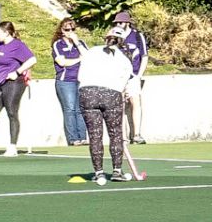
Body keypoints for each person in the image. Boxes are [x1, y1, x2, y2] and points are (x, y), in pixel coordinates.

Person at [76, 27, 137, 184]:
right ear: (122, 41)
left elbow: (80, 75)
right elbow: (126, 84)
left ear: (106, 37)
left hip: (87, 93)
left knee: (95, 135)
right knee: (115, 134)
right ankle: (117, 171)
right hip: (111, 94)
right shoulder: (124, 59)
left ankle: (99, 173)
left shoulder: (92, 51)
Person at [0, 21, 36, 157]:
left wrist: (17, 72)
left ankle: (12, 147)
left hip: (14, 83)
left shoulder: (18, 45)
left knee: (12, 113)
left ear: (6, 33)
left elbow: (32, 60)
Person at [113, 9, 149, 144]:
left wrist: (139, 75)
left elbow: (144, 56)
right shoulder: (114, 36)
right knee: (120, 106)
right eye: (117, 23)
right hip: (118, 77)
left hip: (133, 76)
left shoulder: (137, 36)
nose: (118, 25)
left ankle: (137, 134)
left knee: (136, 102)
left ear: (127, 23)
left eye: (121, 22)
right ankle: (123, 137)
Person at [51, 18, 88, 147]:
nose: (70, 32)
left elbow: (88, 57)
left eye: (72, 29)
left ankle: (83, 137)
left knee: (80, 109)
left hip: (81, 80)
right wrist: (79, 59)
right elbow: (62, 62)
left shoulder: (80, 43)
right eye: (67, 29)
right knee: (70, 109)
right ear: (62, 31)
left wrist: (77, 42)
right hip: (66, 81)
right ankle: (73, 138)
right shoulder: (58, 45)